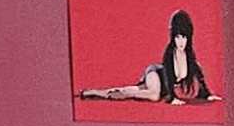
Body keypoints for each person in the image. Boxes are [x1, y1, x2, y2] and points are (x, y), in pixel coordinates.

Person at [80, 7, 218, 108]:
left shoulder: (190, 57)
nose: (181, 42)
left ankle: (96, 93)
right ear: (173, 37)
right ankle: (116, 94)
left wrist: (207, 94)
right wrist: (172, 98)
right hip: (156, 73)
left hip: (162, 84)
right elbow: (167, 74)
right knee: (153, 95)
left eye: (184, 37)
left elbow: (198, 75)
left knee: (137, 90)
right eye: (177, 37)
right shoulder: (169, 53)